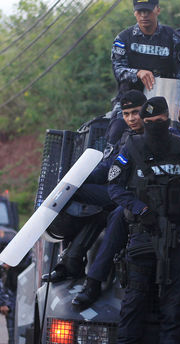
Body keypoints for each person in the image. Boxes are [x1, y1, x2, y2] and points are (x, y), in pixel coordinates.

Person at [99, 96, 180, 344]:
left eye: (161, 121)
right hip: (143, 234)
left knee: (175, 305)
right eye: (151, 121)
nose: (156, 126)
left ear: (169, 119)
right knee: (134, 302)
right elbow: (114, 186)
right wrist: (139, 209)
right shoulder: (131, 148)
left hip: (177, 236)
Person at [42, 90, 147, 288]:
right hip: (117, 191)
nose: (131, 118)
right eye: (127, 114)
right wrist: (77, 179)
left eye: (135, 112)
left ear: (145, 109)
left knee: (108, 213)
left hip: (137, 196)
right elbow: (107, 167)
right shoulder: (125, 135)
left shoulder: (156, 134)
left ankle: (74, 266)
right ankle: (69, 261)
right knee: (70, 191)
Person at [109, 0, 180, 142]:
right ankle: (110, 162)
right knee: (116, 131)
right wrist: (137, 73)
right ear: (134, 13)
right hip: (130, 103)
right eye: (140, 11)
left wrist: (177, 104)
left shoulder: (174, 38)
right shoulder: (123, 38)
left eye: (147, 11)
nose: (144, 15)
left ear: (157, 10)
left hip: (164, 102)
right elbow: (117, 69)